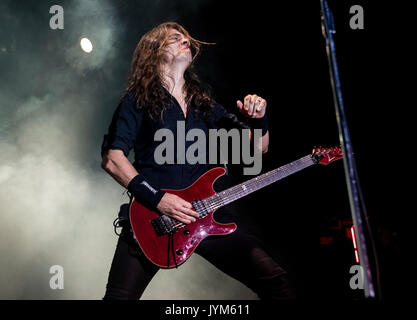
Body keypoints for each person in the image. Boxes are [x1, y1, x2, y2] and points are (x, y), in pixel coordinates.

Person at [100, 22, 295, 300]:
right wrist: (159, 200)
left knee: (277, 283)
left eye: (187, 39)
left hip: (206, 214)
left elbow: (258, 148)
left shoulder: (204, 104)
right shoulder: (137, 101)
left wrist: (259, 117)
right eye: (176, 38)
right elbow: (112, 158)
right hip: (153, 220)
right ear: (154, 52)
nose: (186, 42)